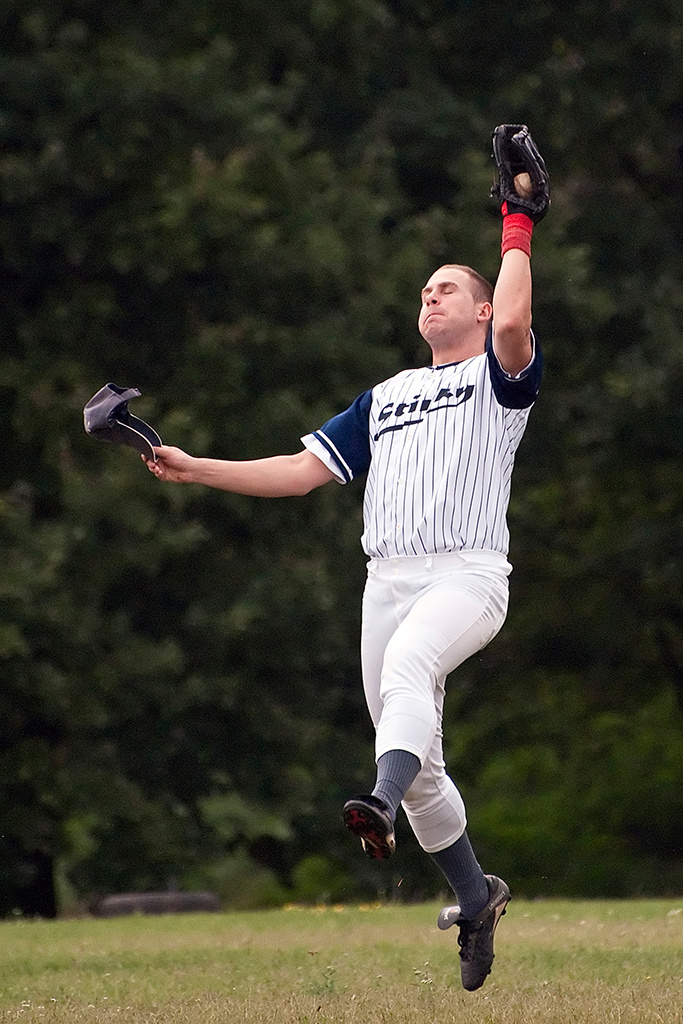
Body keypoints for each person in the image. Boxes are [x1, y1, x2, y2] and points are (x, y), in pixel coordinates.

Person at [143, 133, 545, 992]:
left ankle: (376, 804)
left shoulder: (498, 380)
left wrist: (517, 222)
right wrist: (192, 465)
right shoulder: (386, 396)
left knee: (406, 681)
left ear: (478, 311)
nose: (430, 295)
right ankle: (475, 896)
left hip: (466, 574)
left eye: (447, 287)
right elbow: (298, 473)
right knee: (420, 751)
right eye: (423, 290)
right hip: (386, 581)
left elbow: (514, 319)